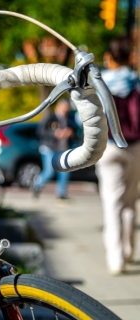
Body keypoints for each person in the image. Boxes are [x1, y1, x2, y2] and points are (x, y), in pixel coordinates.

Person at [98, 37, 140, 275]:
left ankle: (116, 260)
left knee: (112, 203)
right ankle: (128, 251)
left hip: (109, 147)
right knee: (129, 202)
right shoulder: (136, 82)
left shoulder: (102, 83)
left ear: (110, 57)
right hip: (135, 146)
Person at [32, 98, 78, 200]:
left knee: (65, 171)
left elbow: (76, 133)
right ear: (59, 106)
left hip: (63, 148)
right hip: (49, 147)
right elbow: (40, 131)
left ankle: (61, 194)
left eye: (67, 108)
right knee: (49, 171)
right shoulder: (51, 116)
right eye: (64, 107)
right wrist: (55, 133)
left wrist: (71, 133)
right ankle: (37, 185)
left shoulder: (69, 119)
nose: (66, 110)